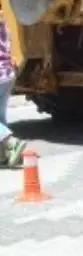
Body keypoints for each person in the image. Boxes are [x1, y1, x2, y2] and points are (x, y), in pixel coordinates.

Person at [0, 9, 26, 168]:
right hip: (7, 75)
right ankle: (4, 155)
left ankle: (12, 143)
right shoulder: (3, 21)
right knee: (1, 118)